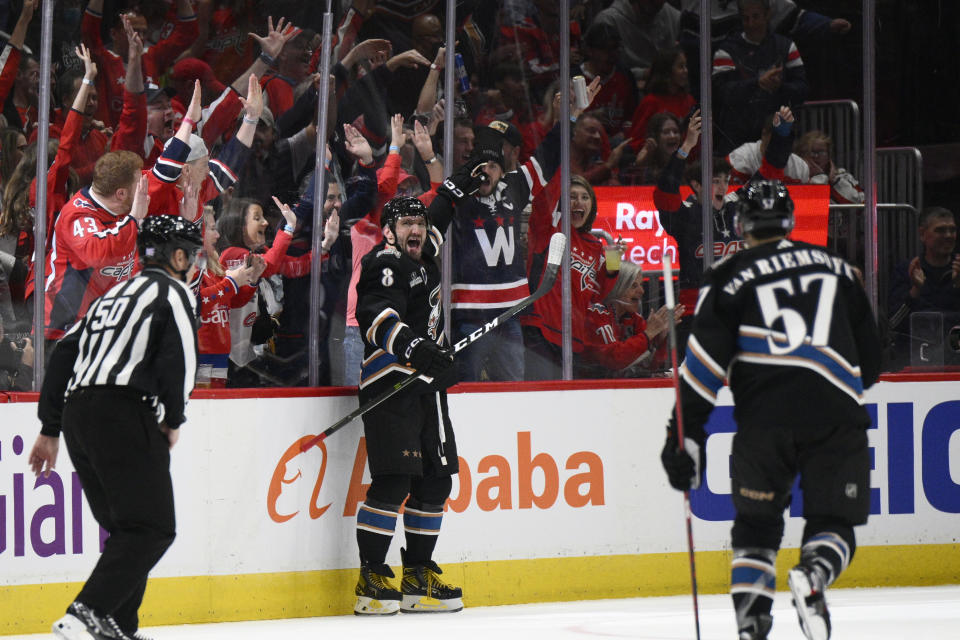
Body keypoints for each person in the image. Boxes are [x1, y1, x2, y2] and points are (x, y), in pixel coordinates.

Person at [660, 180, 882, 640]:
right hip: (835, 418)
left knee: (756, 530)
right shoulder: (838, 268)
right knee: (833, 522)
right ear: (790, 221)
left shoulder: (725, 277)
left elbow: (701, 373)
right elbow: (873, 362)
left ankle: (751, 627)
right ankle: (814, 574)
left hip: (763, 423)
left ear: (741, 225)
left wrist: (681, 439)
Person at [29, 214, 204, 640]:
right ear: (177, 255)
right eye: (192, 254)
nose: (195, 262)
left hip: (78, 415)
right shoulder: (174, 292)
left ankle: (118, 625)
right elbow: (179, 358)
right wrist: (173, 418)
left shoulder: (109, 297)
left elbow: (64, 357)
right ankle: (86, 613)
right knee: (152, 527)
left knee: (129, 528)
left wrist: (50, 427)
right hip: (123, 411)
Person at [353, 195, 461, 615]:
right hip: (392, 385)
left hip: (427, 386)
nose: (416, 229)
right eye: (406, 224)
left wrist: (453, 191)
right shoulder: (386, 262)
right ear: (389, 233)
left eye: (419, 222)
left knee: (436, 482)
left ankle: (417, 578)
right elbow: (376, 317)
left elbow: (438, 221)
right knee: (395, 481)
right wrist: (415, 347)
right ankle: (372, 578)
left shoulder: (422, 253)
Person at [712, 0, 808, 155]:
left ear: (768, 14)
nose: (751, 24)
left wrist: (779, 87)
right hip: (737, 138)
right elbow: (721, 93)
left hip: (776, 134)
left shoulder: (786, 46)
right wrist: (757, 83)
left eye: (756, 17)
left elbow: (802, 89)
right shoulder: (726, 50)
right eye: (746, 18)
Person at [887, 207, 960, 369]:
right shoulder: (907, 270)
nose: (948, 236)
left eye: (952, 230)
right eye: (940, 230)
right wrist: (915, 291)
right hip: (913, 365)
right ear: (922, 234)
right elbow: (892, 324)